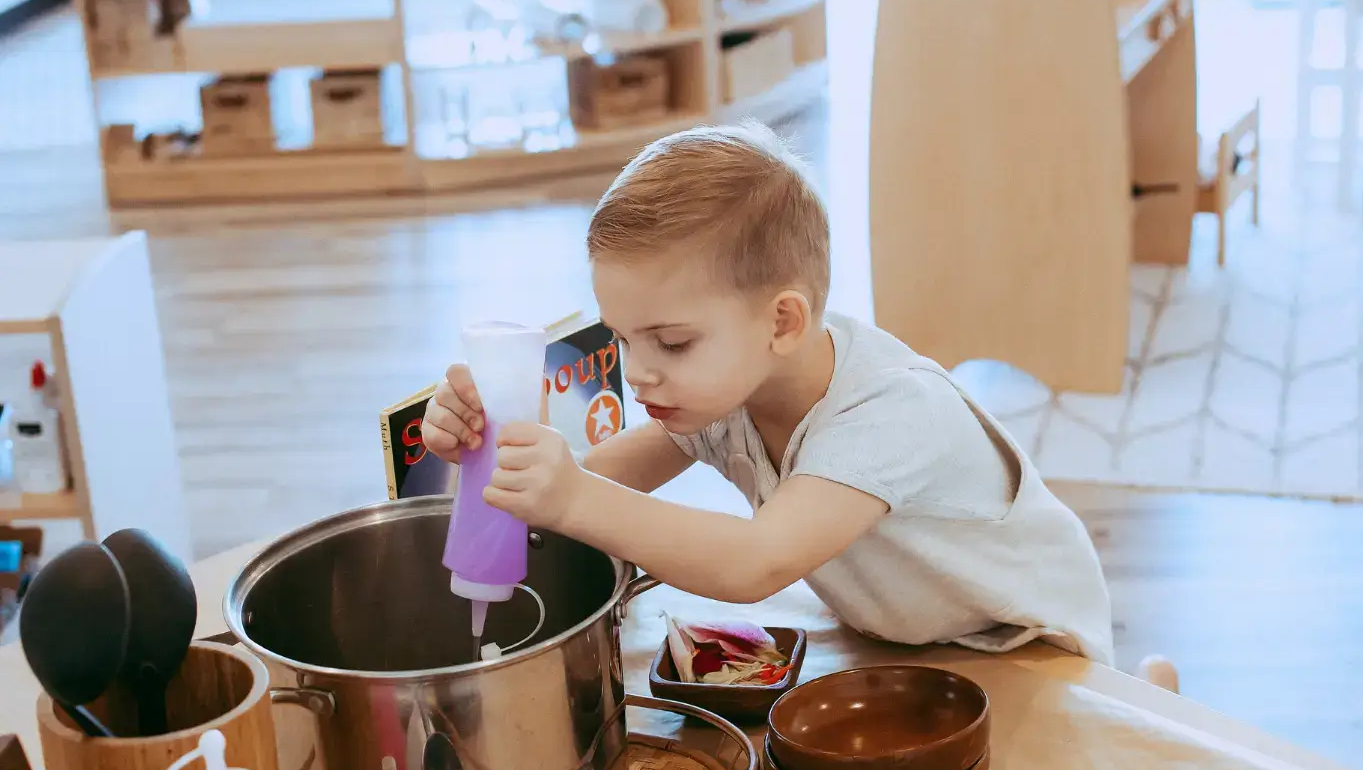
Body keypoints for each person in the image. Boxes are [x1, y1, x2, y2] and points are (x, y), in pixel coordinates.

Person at [422, 126, 1113, 663]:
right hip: (913, 644)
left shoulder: (893, 412)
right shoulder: (722, 391)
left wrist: (569, 493)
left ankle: (1147, 683)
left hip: (1028, 649)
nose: (637, 374)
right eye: (624, 340)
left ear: (782, 322)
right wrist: (485, 455)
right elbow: (579, 489)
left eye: (672, 341)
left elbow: (757, 561)